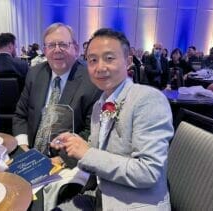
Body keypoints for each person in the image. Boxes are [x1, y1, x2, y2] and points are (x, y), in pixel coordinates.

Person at [51, 28, 174, 210]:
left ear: (128, 61)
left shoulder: (148, 99)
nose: (100, 67)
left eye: (109, 58)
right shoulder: (99, 105)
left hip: (135, 203)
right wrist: (73, 145)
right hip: (101, 194)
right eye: (93, 60)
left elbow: (148, 172)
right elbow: (97, 156)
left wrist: (87, 153)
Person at [12, 23, 101, 167]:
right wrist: (24, 149)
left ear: (76, 49)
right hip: (29, 155)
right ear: (45, 50)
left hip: (65, 163)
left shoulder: (92, 81)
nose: (57, 50)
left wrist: (62, 160)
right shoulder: (35, 74)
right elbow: (20, 115)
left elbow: (92, 131)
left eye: (63, 45)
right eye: (51, 45)